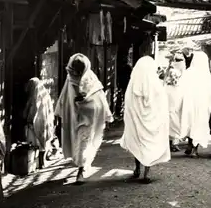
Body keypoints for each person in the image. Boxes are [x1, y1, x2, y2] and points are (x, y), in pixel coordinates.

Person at [55, 53, 114, 184]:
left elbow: (100, 98)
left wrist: (88, 101)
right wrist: (59, 112)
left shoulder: (91, 79)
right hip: (74, 117)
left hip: (89, 118)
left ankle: (80, 171)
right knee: (78, 141)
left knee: (83, 141)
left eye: (78, 70)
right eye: (74, 70)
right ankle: (83, 164)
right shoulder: (70, 79)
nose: (76, 73)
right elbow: (64, 97)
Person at [120, 56, 171, 184]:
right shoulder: (156, 85)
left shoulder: (132, 86)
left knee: (138, 143)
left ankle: (137, 168)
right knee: (149, 144)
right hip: (151, 121)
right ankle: (146, 173)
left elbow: (128, 105)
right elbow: (162, 104)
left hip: (136, 121)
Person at [179, 51, 211, 157]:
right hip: (201, 105)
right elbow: (210, 92)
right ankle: (194, 148)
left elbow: (181, 87)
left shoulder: (188, 72)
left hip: (189, 103)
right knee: (198, 125)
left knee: (190, 123)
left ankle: (190, 145)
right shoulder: (206, 75)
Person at [23, 78, 56, 169]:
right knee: (42, 142)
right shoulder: (45, 95)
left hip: (36, 122)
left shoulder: (34, 97)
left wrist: (28, 118)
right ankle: (41, 162)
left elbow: (32, 110)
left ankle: (37, 163)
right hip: (44, 122)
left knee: (35, 142)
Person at [164, 66, 184, 152]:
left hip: (168, 110)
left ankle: (169, 143)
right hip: (175, 110)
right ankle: (174, 144)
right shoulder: (179, 88)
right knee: (175, 126)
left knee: (169, 126)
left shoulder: (166, 88)